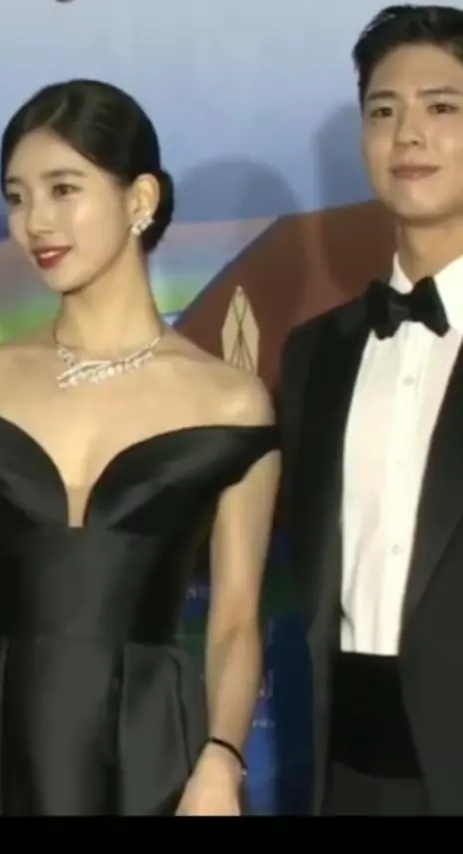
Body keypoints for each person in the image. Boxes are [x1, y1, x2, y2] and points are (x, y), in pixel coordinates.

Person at [0, 79, 280, 816]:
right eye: (17, 197)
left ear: (140, 199)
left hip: (149, 750)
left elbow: (235, 621)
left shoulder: (230, 403)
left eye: (64, 189)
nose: (35, 222)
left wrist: (222, 759)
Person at [279, 4, 463, 816]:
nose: (408, 134)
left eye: (442, 106)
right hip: (345, 773)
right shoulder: (315, 354)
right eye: (383, 111)